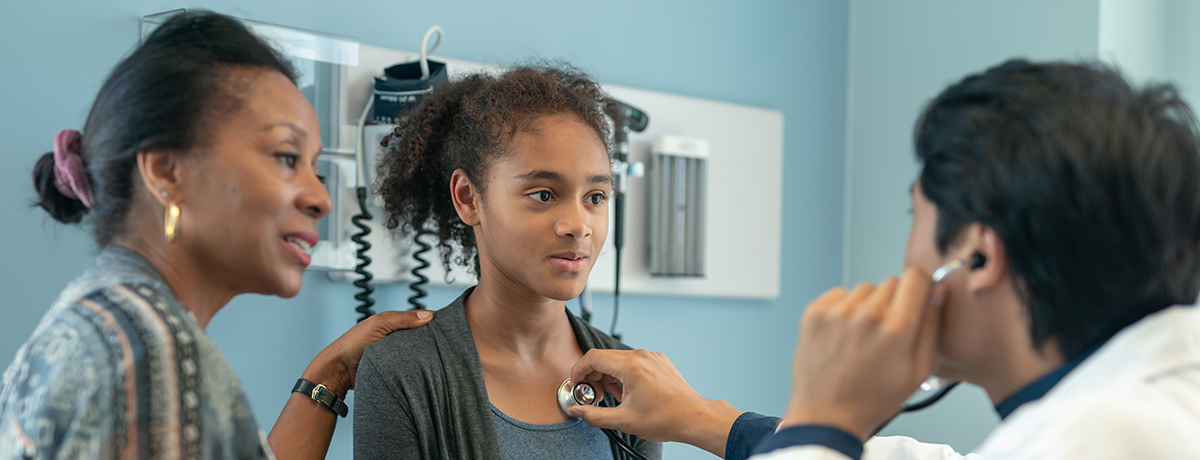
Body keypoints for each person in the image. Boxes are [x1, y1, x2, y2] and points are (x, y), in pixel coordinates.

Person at [567, 59, 1200, 459]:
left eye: (915, 217)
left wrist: (828, 415)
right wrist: (697, 417)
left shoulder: (1108, 438)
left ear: (978, 257)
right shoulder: (1146, 407)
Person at [0, 12, 432, 459]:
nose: (321, 198)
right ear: (167, 171)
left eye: (315, 167)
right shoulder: (154, 360)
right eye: (286, 157)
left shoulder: (98, 317)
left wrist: (333, 372)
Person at [353, 65, 661, 459]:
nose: (579, 226)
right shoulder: (405, 372)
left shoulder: (630, 381)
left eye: (596, 197)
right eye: (544, 195)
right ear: (468, 198)